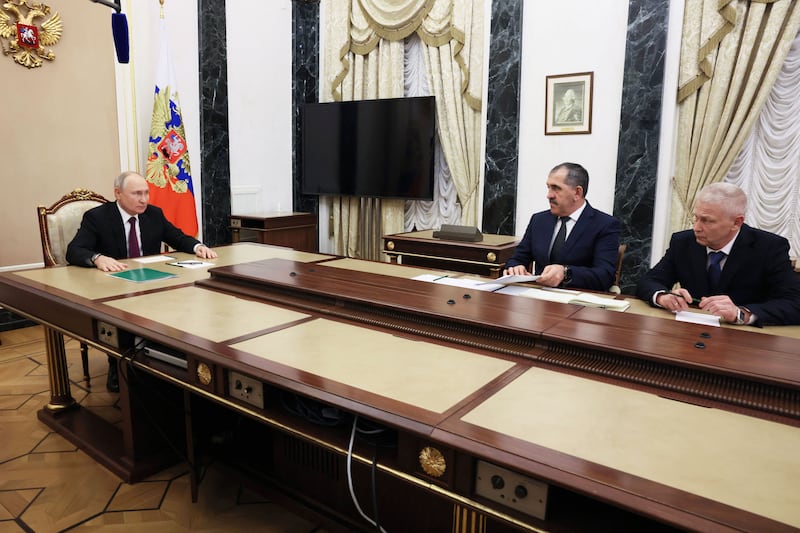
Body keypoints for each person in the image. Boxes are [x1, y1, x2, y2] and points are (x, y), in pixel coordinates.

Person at [66, 170, 218, 390]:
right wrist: (97, 258)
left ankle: (161, 361)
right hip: (113, 288)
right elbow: (74, 250)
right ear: (118, 193)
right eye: (137, 194)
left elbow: (177, 237)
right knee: (121, 316)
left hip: (152, 285)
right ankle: (117, 364)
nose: (144, 199)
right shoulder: (97, 217)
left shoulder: (153, 214)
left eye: (146, 193)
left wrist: (198, 246)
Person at [636, 182, 800, 326]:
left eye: (707, 220)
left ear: (736, 223)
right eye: (696, 217)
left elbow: (794, 304)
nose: (697, 227)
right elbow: (649, 281)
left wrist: (741, 314)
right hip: (690, 332)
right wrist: (663, 297)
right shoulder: (683, 242)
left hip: (745, 341)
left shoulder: (768, 247)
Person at [504, 162, 621, 291]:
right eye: (548, 187)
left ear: (577, 192)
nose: (549, 195)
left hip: (579, 303)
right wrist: (516, 267)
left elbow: (604, 276)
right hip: (538, 298)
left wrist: (565, 273)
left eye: (556, 188)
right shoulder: (539, 220)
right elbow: (517, 259)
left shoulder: (604, 225)